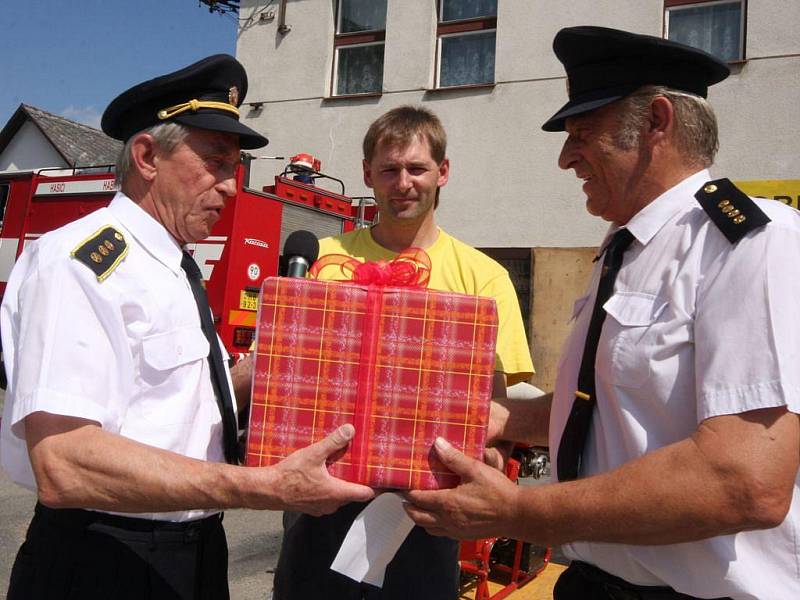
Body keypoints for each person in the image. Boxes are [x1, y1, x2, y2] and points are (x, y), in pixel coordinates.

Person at [404, 26, 800, 600]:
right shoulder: (626, 248)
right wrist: (506, 420)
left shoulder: (752, 245)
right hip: (597, 583)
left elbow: (744, 482)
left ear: (657, 122)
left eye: (583, 133)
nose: (566, 158)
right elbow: (618, 409)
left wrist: (518, 510)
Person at [0, 54, 374, 600]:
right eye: (215, 161)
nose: (230, 187)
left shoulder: (173, 264)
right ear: (147, 156)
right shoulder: (80, 262)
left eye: (236, 169)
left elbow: (181, 402)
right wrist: (262, 487)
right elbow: (63, 460)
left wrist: (293, 354)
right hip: (106, 559)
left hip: (192, 550)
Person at [272, 105, 535, 599]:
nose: (403, 183)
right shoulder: (323, 260)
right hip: (320, 501)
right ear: (368, 173)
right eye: (389, 169)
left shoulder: (484, 279)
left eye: (417, 168)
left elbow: (495, 412)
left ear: (443, 172)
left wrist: (492, 464)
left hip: (423, 512)